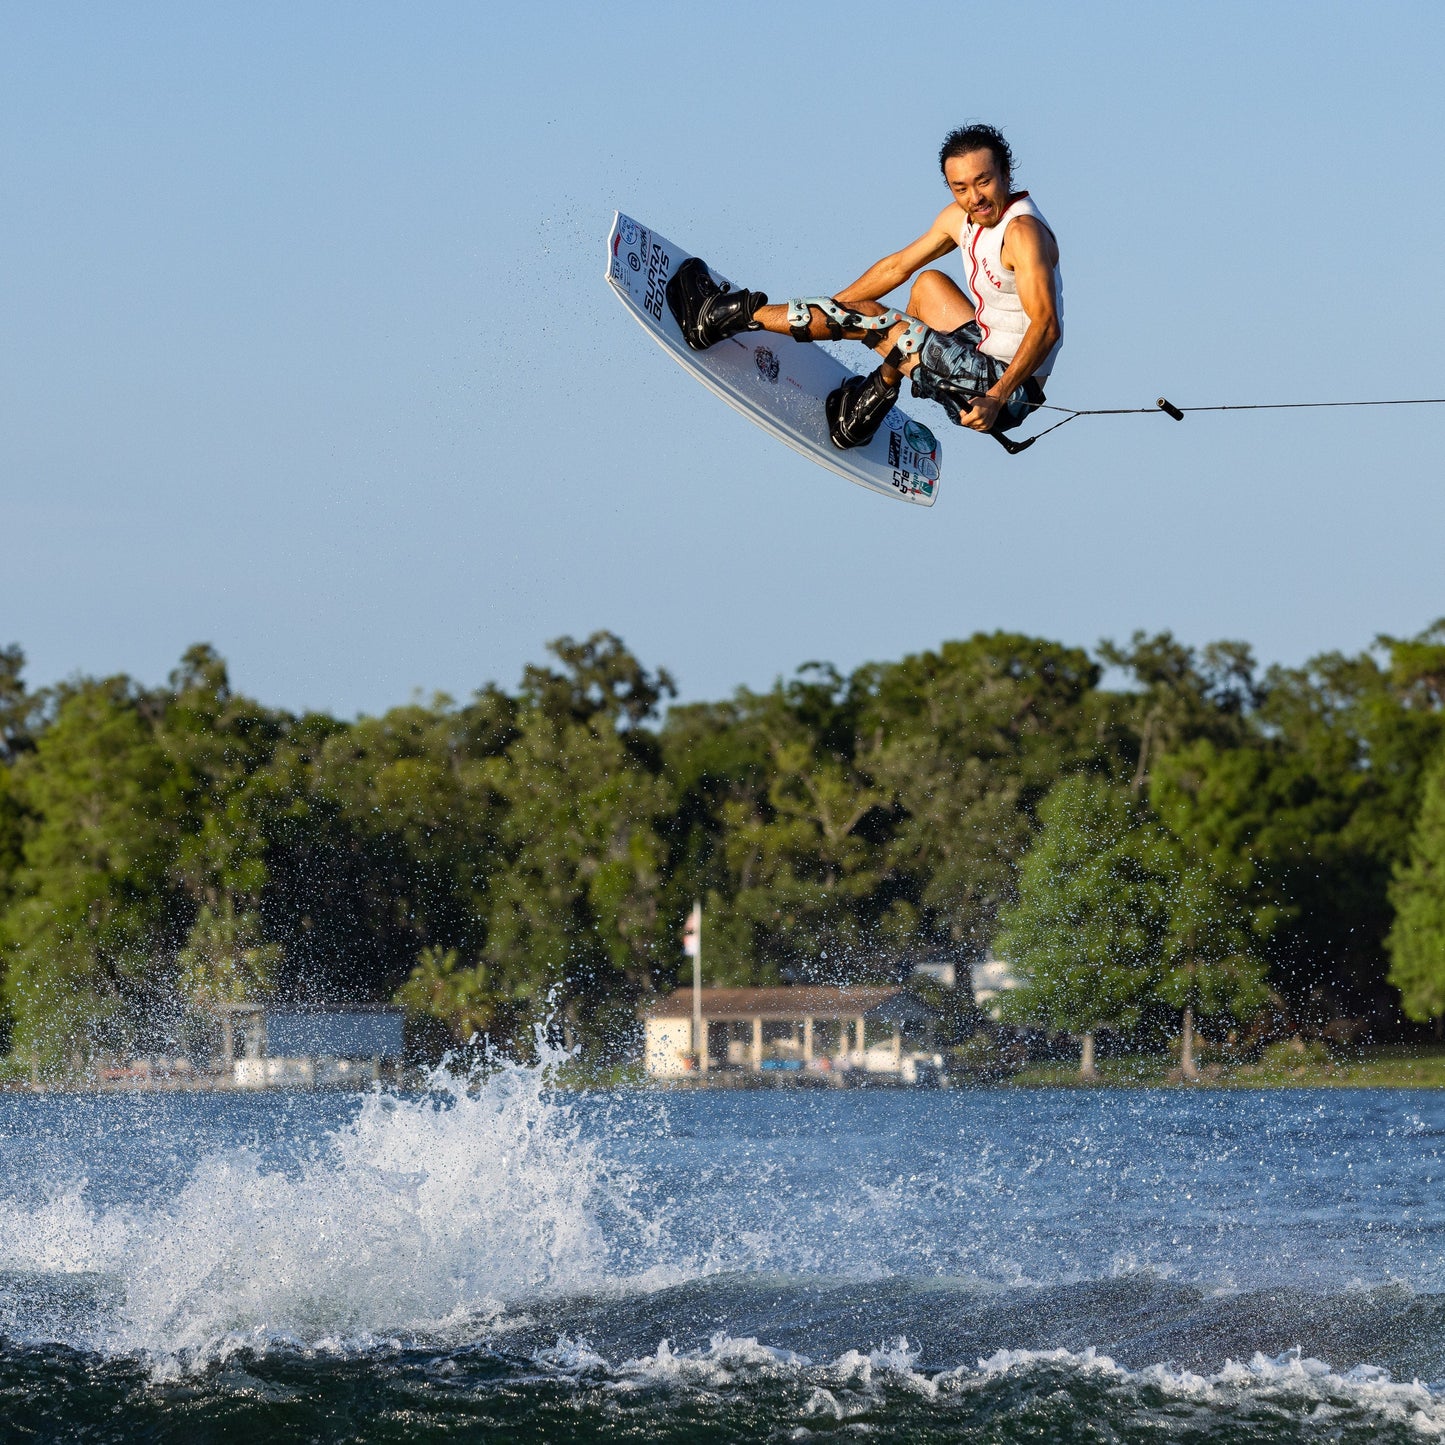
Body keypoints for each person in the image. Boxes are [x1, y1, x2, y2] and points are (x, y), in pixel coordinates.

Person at [667, 124, 1063, 451]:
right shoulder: (959, 219)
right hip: (984, 350)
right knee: (928, 286)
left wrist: (996, 397)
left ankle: (722, 317)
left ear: (1007, 175)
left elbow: (1046, 326)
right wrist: (830, 311)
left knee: (874, 320)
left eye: (983, 182)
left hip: (1008, 389)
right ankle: (862, 411)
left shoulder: (1022, 234)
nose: (974, 198)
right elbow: (896, 267)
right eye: (960, 188)